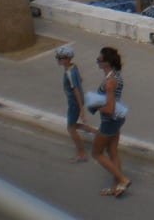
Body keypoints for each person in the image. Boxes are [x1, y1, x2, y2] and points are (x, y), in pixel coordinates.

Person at [90, 46, 131, 198]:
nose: (97, 62)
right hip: (118, 119)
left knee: (96, 153)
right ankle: (115, 187)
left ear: (106, 63)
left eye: (99, 60)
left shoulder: (110, 82)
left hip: (109, 121)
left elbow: (109, 108)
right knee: (112, 152)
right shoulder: (116, 76)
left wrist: (94, 105)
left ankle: (123, 180)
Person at [55, 45, 89, 163]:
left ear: (67, 58)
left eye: (60, 58)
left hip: (74, 102)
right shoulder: (74, 66)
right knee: (74, 124)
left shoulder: (69, 73)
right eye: (58, 57)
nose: (58, 60)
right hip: (76, 101)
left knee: (71, 128)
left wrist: (81, 110)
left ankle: (81, 154)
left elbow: (75, 90)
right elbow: (80, 79)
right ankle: (98, 134)